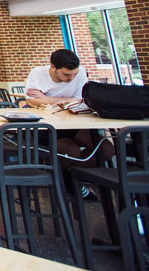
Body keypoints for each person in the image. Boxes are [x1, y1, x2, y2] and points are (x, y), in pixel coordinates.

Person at [25, 49, 114, 197]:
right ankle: (68, 181)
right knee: (70, 150)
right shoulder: (38, 73)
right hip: (47, 125)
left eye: (74, 74)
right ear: (52, 67)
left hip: (75, 122)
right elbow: (31, 100)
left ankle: (68, 176)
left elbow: (81, 100)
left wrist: (46, 98)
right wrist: (68, 100)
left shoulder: (80, 73)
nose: (71, 78)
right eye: (66, 74)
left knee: (106, 149)